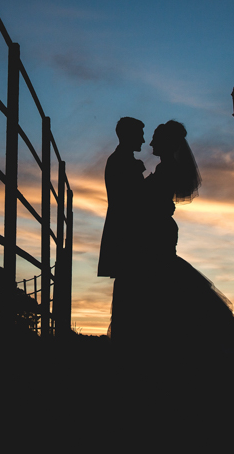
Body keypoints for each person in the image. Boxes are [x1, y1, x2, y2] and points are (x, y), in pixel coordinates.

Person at [145, 120, 234, 348]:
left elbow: (154, 199)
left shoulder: (166, 169)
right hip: (160, 228)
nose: (150, 143)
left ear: (166, 144)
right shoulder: (165, 168)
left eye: (155, 139)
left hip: (159, 230)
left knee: (164, 285)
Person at [98, 117, 147, 343]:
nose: (144, 140)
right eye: (140, 135)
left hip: (125, 234)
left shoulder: (123, 160)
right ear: (129, 136)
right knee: (129, 289)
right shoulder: (120, 162)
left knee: (130, 289)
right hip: (126, 236)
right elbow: (132, 202)